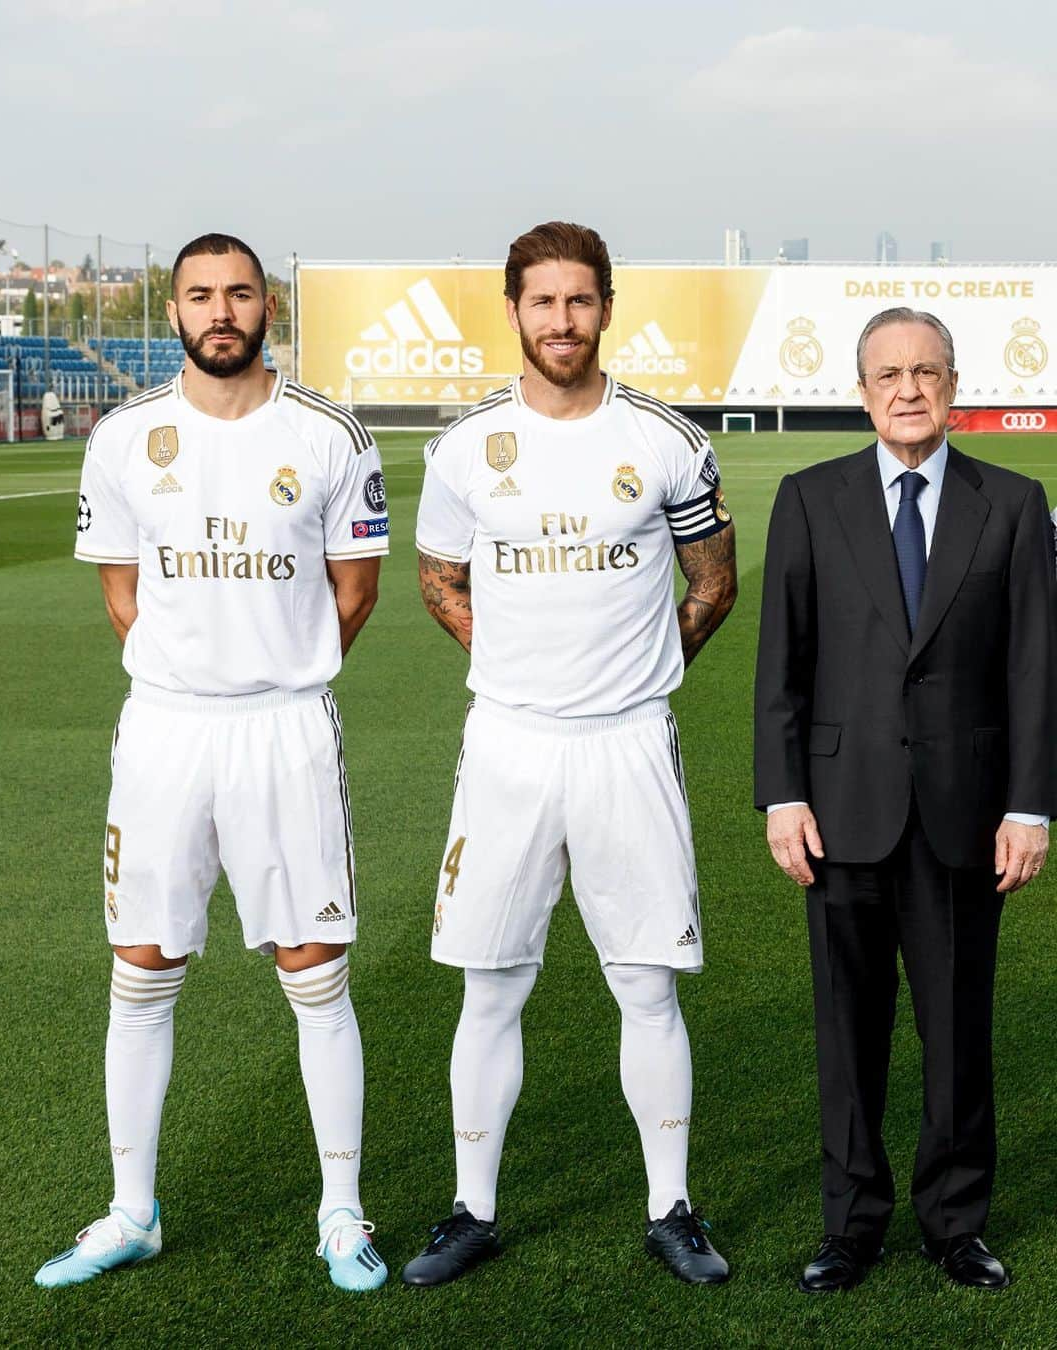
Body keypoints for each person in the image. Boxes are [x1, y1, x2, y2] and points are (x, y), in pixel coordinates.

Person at [35, 233, 390, 1292]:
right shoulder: (125, 435)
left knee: (313, 970)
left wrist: (274, 669)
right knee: (142, 966)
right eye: (200, 295)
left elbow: (356, 589)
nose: (219, 310)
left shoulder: (330, 433)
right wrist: (195, 675)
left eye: (239, 292)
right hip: (165, 732)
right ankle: (131, 1209)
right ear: (177, 309)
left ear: (267, 307)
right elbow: (121, 597)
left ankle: (343, 1211)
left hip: (284, 728)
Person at [402, 221, 737, 1288]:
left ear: (605, 307)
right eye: (542, 302)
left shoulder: (668, 441)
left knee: (647, 986)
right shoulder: (463, 448)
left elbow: (714, 581)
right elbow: (439, 579)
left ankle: (671, 1207)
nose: (562, 321)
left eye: (580, 300)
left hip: (628, 746)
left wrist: (637, 669)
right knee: (490, 988)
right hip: (507, 747)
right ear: (514, 311)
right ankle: (472, 1208)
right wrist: (518, 665)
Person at [755, 307, 1056, 1293]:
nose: (909, 389)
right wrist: (782, 794)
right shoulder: (809, 498)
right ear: (862, 390)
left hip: (967, 814)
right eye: (889, 374)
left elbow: (1033, 670)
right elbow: (782, 668)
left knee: (960, 1029)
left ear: (955, 383)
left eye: (926, 370)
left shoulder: (1012, 504)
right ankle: (851, 1225)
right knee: (849, 1031)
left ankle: (956, 1223)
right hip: (841, 812)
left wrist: (1030, 806)